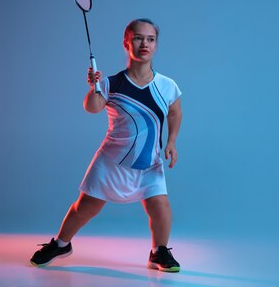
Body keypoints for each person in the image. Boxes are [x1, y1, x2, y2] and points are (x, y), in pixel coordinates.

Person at [30, 18, 183, 272]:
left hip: (149, 162)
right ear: (126, 43)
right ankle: (61, 244)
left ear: (156, 45)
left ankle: (159, 252)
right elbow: (93, 108)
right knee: (85, 208)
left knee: (160, 207)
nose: (144, 43)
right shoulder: (112, 84)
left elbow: (175, 112)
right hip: (111, 162)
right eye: (137, 38)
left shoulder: (166, 85)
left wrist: (172, 142)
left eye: (150, 39)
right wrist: (94, 88)